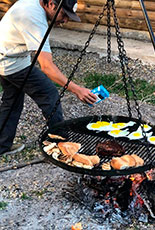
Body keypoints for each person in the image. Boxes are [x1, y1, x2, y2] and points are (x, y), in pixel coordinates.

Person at [0, 0, 97, 155]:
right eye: (64, 14)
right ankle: (60, 146)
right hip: (11, 63)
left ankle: (2, 145)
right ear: (51, 4)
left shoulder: (34, 4)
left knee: (12, 100)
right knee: (49, 94)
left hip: (8, 56)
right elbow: (47, 67)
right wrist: (77, 89)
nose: (65, 20)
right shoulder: (34, 18)